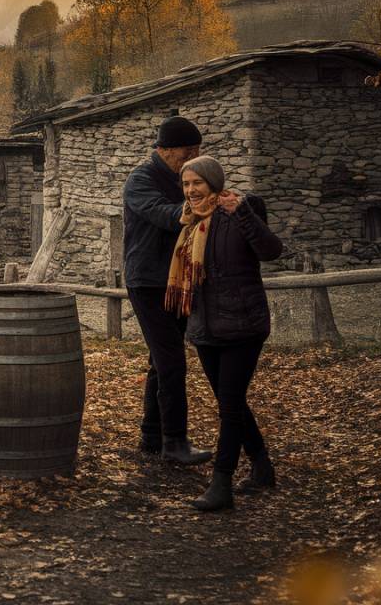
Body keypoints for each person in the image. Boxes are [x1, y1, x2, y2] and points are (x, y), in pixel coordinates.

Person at [164, 155, 283, 510]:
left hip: (243, 325)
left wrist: (243, 213)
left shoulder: (241, 210)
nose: (190, 191)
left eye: (197, 183)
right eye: (186, 185)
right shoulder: (189, 224)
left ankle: (222, 483)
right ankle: (261, 466)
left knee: (229, 406)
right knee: (230, 402)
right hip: (206, 327)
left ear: (213, 182)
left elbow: (271, 251)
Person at [122, 116, 212, 465]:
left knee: (161, 362)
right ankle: (174, 442)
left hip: (177, 279)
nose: (191, 157)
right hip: (146, 281)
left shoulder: (185, 179)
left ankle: (151, 435)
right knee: (172, 361)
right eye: (186, 152)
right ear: (164, 149)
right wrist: (202, 206)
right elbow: (163, 214)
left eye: (196, 152)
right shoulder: (140, 180)